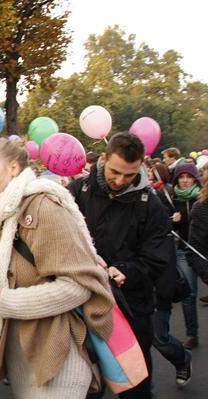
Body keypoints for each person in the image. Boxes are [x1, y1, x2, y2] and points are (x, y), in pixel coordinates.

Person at [0, 138, 114, 398]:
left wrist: (4, 298)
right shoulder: (0, 214)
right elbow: (5, 280)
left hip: (58, 354)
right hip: (21, 355)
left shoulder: (42, 205)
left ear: (13, 168)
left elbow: (79, 287)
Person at [68, 132, 170, 398]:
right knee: (87, 385)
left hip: (131, 306)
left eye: (129, 175)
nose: (120, 180)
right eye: (115, 172)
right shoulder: (78, 191)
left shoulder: (151, 204)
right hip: (82, 304)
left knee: (135, 385)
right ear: (103, 159)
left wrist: (124, 271)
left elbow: (158, 257)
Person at [170, 162, 202, 349]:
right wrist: (171, 220)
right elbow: (162, 225)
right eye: (181, 177)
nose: (185, 180)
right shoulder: (172, 199)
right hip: (184, 251)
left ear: (195, 178)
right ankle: (192, 334)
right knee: (189, 295)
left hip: (203, 251)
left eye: (188, 177)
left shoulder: (203, 198)